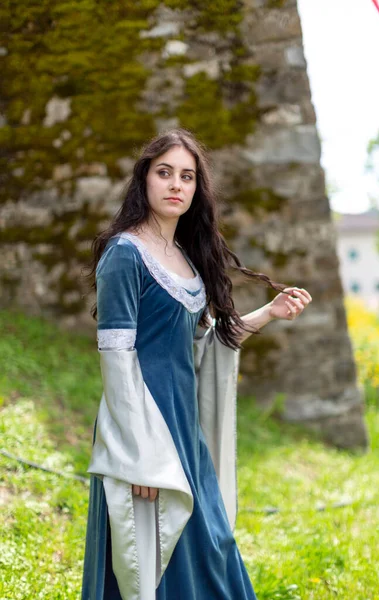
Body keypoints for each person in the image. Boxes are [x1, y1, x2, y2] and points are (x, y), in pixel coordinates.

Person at [81, 128, 312, 600]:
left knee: (212, 543)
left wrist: (269, 313)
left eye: (186, 177)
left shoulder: (185, 259)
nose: (175, 185)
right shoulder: (124, 255)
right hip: (145, 431)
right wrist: (137, 459)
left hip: (185, 431)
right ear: (143, 179)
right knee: (149, 554)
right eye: (164, 172)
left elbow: (207, 344)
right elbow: (117, 360)